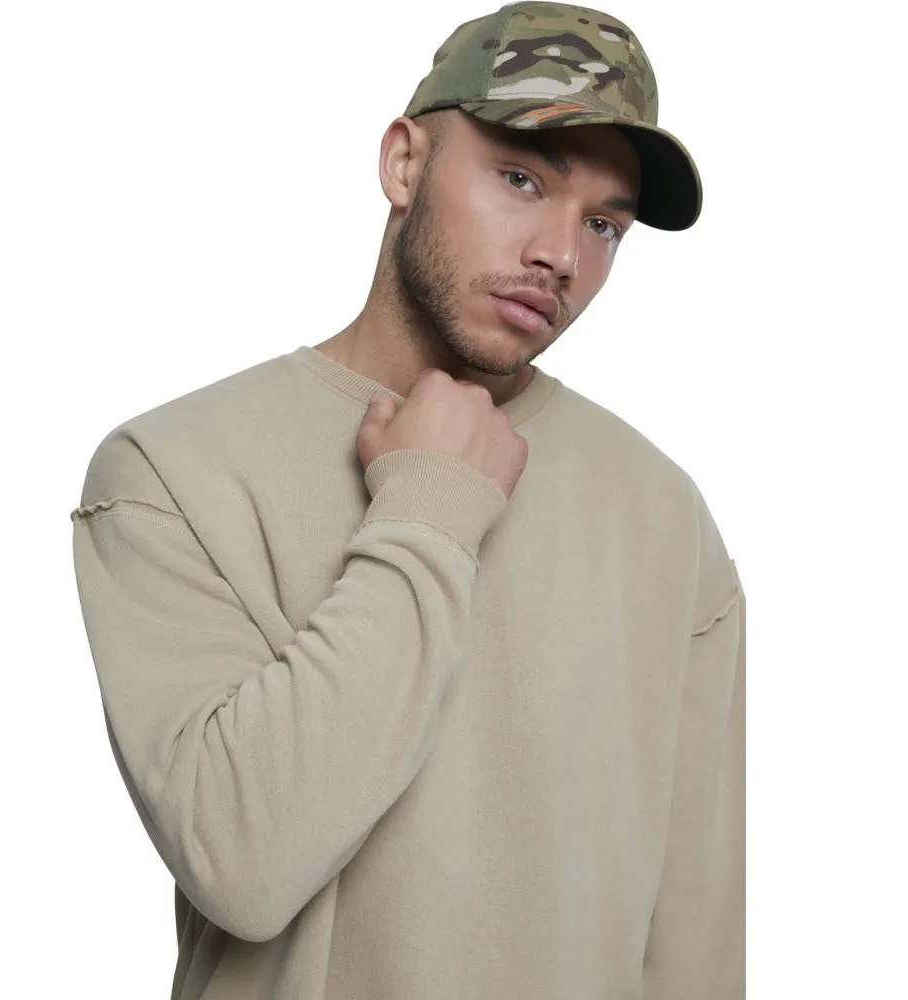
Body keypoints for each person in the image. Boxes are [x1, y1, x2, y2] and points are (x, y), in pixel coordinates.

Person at [70, 3, 744, 998]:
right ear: (402, 163)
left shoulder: (661, 514)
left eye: (604, 223)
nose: (562, 255)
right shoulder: (173, 471)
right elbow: (242, 861)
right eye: (522, 179)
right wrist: (431, 505)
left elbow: (692, 936)